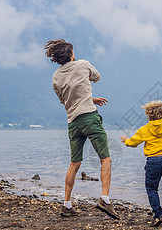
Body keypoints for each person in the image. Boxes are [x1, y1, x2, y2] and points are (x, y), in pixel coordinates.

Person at [44, 39, 119, 219]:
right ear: (71, 54)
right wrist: (88, 98)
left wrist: (89, 98)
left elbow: (66, 100)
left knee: (75, 163)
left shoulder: (55, 77)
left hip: (73, 123)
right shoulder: (83, 64)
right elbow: (97, 77)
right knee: (105, 159)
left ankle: (67, 205)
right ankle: (105, 199)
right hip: (90, 119)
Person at [120, 100, 162, 226]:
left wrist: (127, 141)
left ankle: (158, 214)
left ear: (148, 115)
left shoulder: (145, 129)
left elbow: (134, 142)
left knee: (152, 189)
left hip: (152, 161)